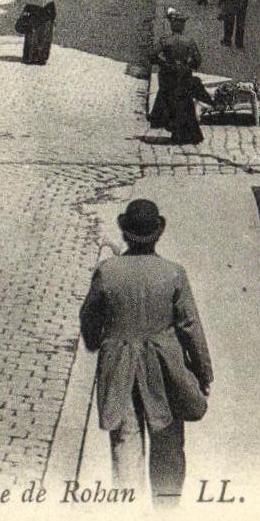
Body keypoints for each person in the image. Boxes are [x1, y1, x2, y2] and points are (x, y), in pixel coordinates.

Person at [79, 199, 213, 504]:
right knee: (167, 443)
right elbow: (191, 328)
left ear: (125, 233)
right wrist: (203, 373)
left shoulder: (107, 271)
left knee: (126, 446)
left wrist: (96, 341)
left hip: (118, 370)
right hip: (164, 371)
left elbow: (89, 316)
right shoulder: (173, 273)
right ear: (158, 233)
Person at [149, 9, 203, 135]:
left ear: (172, 26)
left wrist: (163, 64)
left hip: (168, 74)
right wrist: (188, 66)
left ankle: (161, 119)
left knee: (164, 95)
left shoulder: (165, 40)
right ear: (183, 27)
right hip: (183, 74)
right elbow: (198, 60)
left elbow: (152, 55)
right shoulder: (189, 41)